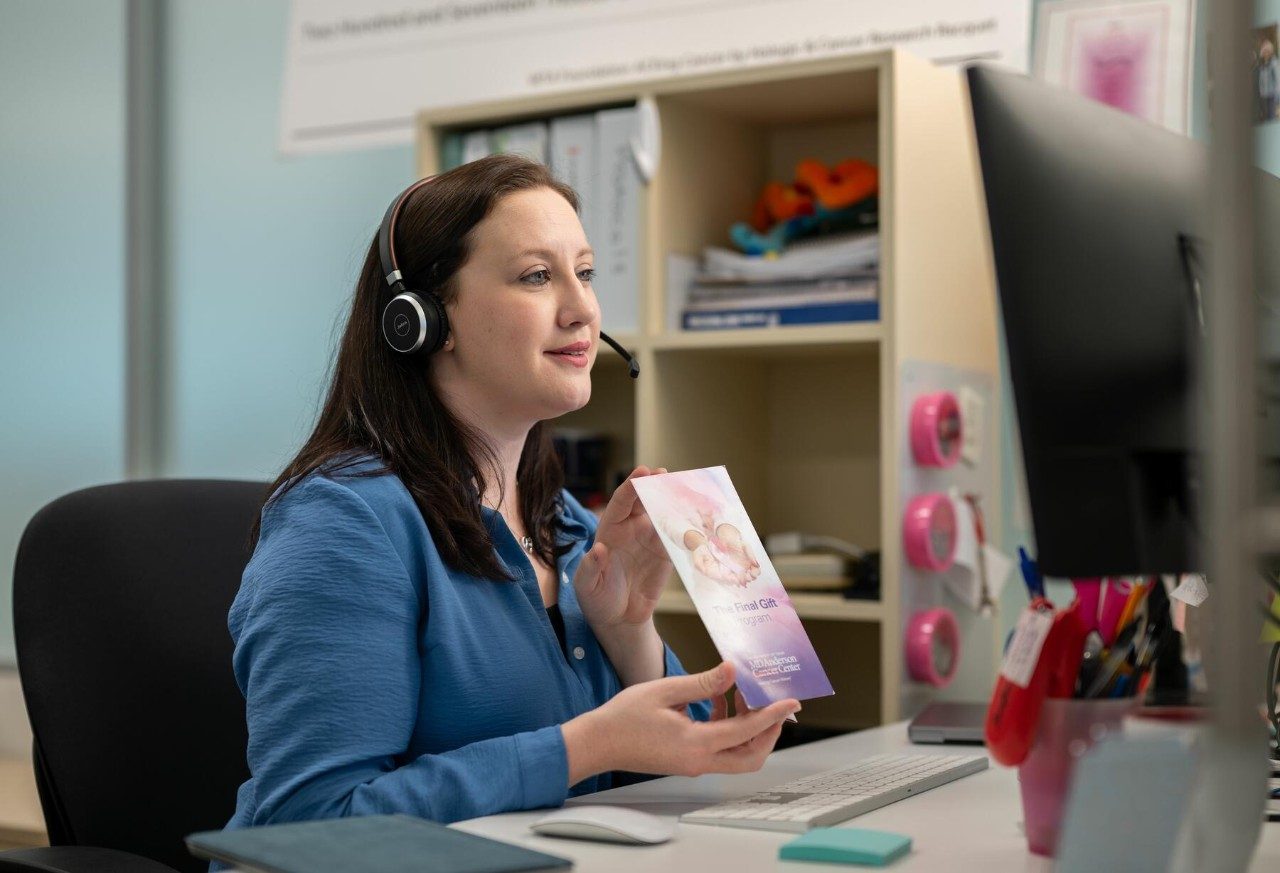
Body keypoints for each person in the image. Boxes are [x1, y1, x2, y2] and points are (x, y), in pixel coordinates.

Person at [219, 154, 800, 844]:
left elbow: (676, 776)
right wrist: (585, 747)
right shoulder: (342, 524)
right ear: (425, 319)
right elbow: (308, 824)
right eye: (537, 276)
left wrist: (628, 631)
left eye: (584, 273)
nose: (582, 308)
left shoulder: (568, 523)